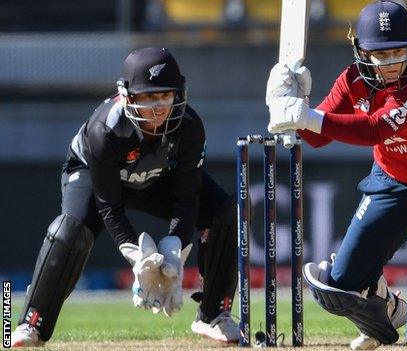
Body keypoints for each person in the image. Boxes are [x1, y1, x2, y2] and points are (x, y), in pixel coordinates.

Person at [265, 1, 407, 350]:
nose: (391, 63)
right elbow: (319, 137)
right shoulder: (352, 80)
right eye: (379, 55)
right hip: (392, 178)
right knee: (340, 284)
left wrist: (306, 116)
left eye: (397, 52)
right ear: (360, 51)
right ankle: (391, 308)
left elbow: (377, 129)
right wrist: (291, 106)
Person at [10, 47, 239, 347]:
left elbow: (188, 198)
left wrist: (174, 249)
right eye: (148, 98)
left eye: (165, 96)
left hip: (157, 177)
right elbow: (109, 206)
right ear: (127, 96)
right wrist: (137, 257)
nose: (158, 108)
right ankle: (32, 323)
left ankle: (214, 315)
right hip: (93, 175)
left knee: (225, 211)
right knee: (70, 230)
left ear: (178, 94)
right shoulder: (103, 130)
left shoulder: (190, 127)